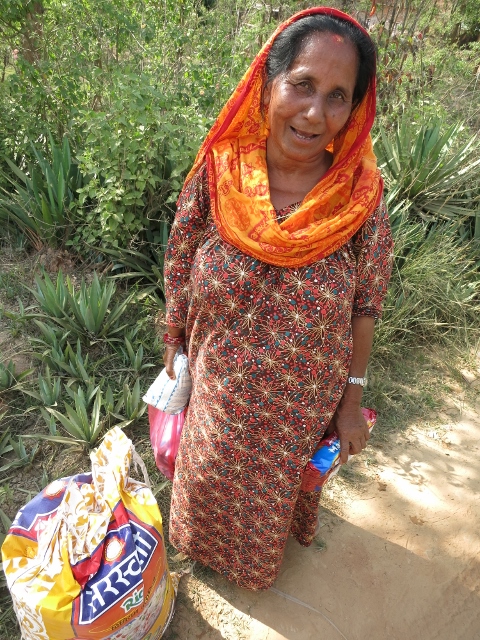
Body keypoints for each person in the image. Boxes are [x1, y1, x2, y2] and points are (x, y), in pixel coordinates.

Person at [162, 7, 393, 591]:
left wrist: (352, 398)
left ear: (354, 111)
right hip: (219, 390)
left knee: (273, 493)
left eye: (337, 96)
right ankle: (197, 546)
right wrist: (174, 341)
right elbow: (181, 257)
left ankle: (256, 567)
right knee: (208, 473)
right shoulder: (221, 171)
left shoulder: (359, 199)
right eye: (302, 84)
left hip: (299, 408)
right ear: (268, 84)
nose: (315, 112)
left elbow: (367, 304)